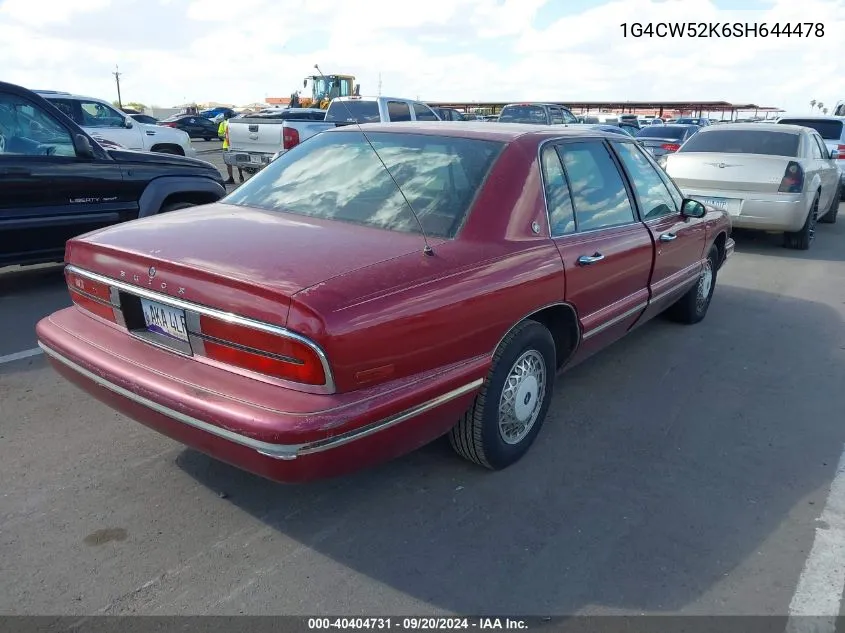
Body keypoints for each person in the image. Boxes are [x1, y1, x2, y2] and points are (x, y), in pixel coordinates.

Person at [219, 117, 243, 184]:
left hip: (227, 146)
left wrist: (224, 136)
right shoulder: (235, 123)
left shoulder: (224, 123)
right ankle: (240, 176)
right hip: (235, 145)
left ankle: (232, 178)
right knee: (237, 161)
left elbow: (219, 134)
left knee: (229, 163)